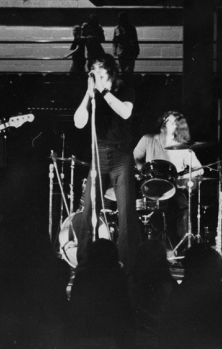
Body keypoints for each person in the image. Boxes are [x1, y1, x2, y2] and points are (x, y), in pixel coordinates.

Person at [73, 54, 140, 273]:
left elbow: (126, 111)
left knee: (126, 212)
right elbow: (79, 123)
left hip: (121, 155)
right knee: (88, 209)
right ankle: (84, 262)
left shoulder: (124, 89)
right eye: (93, 74)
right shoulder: (93, 95)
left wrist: (103, 91)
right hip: (99, 154)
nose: (96, 78)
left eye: (100, 73)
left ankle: (127, 265)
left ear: (110, 72)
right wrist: (87, 94)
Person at [133, 111, 203, 245]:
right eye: (167, 120)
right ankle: (147, 246)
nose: (169, 123)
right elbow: (134, 157)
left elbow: (199, 169)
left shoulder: (182, 147)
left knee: (184, 208)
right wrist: (142, 168)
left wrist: (182, 177)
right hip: (151, 185)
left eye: (173, 122)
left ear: (178, 127)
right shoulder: (148, 139)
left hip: (174, 187)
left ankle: (182, 247)